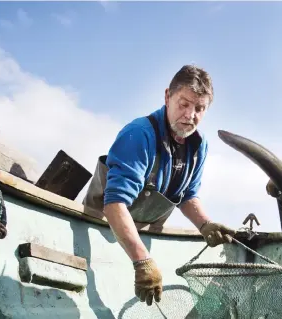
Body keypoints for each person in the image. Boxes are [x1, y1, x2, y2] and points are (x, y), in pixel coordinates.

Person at [83, 64, 236, 306]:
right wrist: (142, 260)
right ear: (167, 96)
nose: (190, 115)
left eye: (199, 108)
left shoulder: (199, 145)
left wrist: (205, 224)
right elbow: (114, 204)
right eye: (183, 104)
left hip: (143, 237)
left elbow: (187, 196)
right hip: (95, 230)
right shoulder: (139, 134)